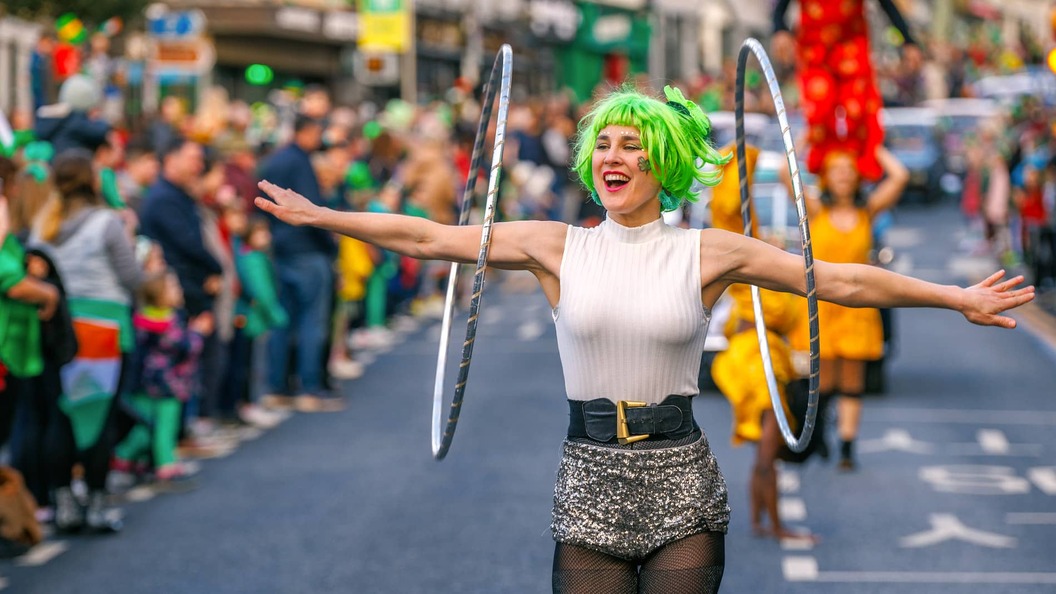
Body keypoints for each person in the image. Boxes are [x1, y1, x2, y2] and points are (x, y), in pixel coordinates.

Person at [255, 85, 1034, 594]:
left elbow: (841, 282)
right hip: (589, 476)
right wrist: (324, 217)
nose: (613, 158)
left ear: (661, 162)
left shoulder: (708, 251)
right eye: (604, 146)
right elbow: (428, 238)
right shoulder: (557, 243)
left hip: (681, 482)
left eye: (631, 146)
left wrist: (952, 295)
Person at [29, 149, 146, 533]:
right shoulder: (107, 223)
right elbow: (131, 278)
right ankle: (96, 503)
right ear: (93, 180)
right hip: (105, 332)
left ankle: (63, 502)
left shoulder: (42, 223)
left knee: (60, 417)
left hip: (57, 329)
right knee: (100, 419)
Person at [787, 146, 909, 471]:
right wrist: (806, 140)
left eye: (849, 169)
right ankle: (821, 436)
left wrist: (870, 143)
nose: (843, 175)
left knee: (853, 381)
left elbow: (900, 176)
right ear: (826, 176)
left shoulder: (868, 210)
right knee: (824, 381)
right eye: (836, 168)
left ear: (857, 176)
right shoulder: (814, 210)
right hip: (822, 308)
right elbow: (788, 173)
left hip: (857, 307)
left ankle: (846, 448)